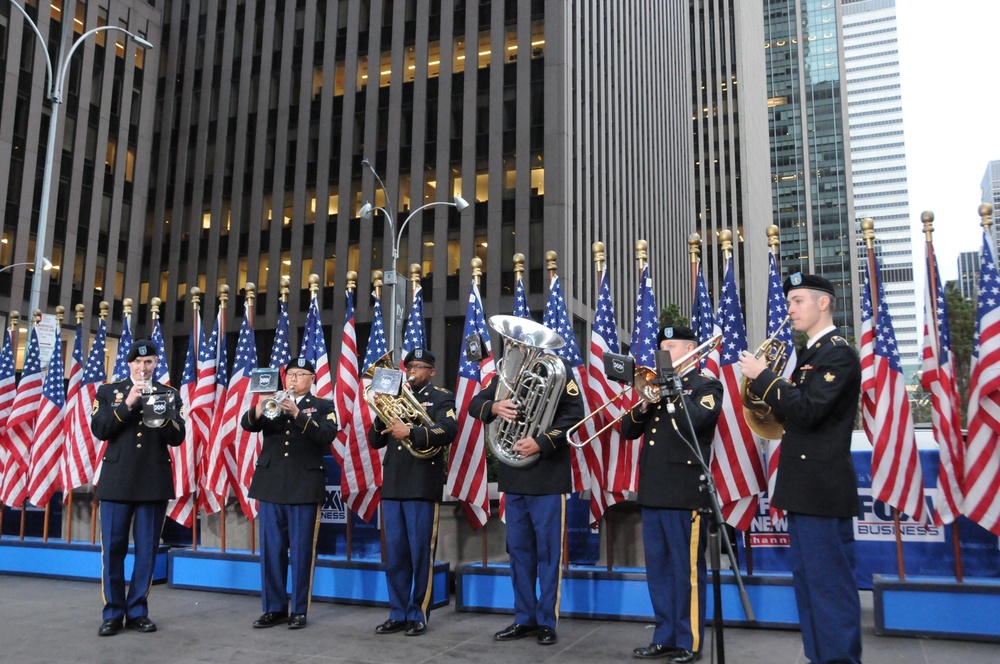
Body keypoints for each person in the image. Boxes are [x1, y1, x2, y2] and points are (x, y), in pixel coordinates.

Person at [737, 272, 863, 664]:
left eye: (798, 301)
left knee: (829, 588)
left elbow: (809, 411)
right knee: (809, 586)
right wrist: (767, 389)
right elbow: (790, 412)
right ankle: (819, 657)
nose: (789, 309)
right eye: (789, 302)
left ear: (823, 303)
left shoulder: (837, 352)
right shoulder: (811, 353)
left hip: (822, 490)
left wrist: (764, 377)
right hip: (806, 487)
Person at [468, 341, 584, 647]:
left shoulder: (559, 371)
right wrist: (493, 406)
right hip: (514, 475)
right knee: (519, 554)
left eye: (520, 343)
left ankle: (547, 621)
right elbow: (473, 405)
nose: (515, 347)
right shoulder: (504, 376)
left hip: (547, 476)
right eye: (512, 343)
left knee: (548, 554)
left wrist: (542, 442)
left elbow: (575, 415)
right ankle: (524, 618)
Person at [622, 325, 722, 663]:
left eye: (672, 346)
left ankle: (688, 641)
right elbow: (627, 430)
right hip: (653, 492)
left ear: (692, 349)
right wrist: (648, 401)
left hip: (685, 494)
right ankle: (665, 636)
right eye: (661, 346)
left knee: (687, 572)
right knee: (660, 571)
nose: (664, 353)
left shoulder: (706, 385)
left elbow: (696, 423)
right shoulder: (655, 388)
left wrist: (673, 389)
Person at [91, 338, 185, 637]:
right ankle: (113, 612)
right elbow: (101, 428)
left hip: (152, 481)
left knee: (146, 551)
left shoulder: (168, 393)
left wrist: (162, 411)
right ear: (128, 364)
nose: (143, 367)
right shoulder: (109, 391)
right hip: (117, 481)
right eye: (138, 362)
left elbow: (177, 438)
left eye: (149, 362)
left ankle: (138, 611)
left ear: (156, 364)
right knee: (113, 550)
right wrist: (129, 401)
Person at [241, 357, 338, 630]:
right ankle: (273, 608)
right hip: (271, 485)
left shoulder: (322, 406)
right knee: (271, 551)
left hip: (304, 487)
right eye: (291, 374)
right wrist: (262, 405)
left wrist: (297, 414)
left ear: (312, 378)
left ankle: (298, 610)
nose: (294, 379)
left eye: (301, 374)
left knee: (302, 552)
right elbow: (247, 425)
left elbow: (327, 435)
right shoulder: (273, 401)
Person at [369, 348, 458, 637]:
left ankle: (418, 613)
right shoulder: (395, 396)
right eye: (410, 366)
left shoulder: (442, 396)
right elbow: (374, 441)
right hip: (394, 483)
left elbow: (448, 430)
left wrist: (412, 432)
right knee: (395, 555)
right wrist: (383, 411)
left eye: (420, 367)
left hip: (422, 483)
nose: (413, 371)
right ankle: (397, 612)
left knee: (421, 554)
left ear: (431, 371)